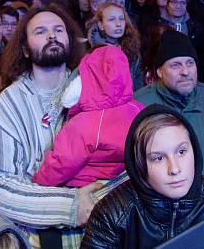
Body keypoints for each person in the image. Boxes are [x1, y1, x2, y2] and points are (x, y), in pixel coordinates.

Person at [0, 6, 95, 247]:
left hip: (99, 231)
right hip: (39, 239)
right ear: (24, 48)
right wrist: (72, 205)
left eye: (58, 30)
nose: (52, 36)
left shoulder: (93, 89)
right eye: (41, 32)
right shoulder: (9, 103)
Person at [81, 105, 204, 248]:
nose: (175, 169)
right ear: (139, 164)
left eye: (181, 152)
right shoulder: (111, 215)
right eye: (158, 158)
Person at [135, 29, 204, 198]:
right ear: (159, 72)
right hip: (166, 213)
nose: (185, 71)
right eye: (175, 65)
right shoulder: (139, 105)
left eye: (190, 63)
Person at [32, 45, 142, 187]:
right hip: (123, 185)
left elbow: (61, 163)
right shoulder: (137, 108)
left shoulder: (85, 123)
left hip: (85, 188)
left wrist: (37, 184)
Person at [85, 1, 144, 90]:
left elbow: (138, 87)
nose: (118, 24)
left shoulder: (133, 51)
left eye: (121, 19)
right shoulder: (90, 53)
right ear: (101, 25)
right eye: (112, 19)